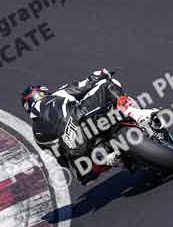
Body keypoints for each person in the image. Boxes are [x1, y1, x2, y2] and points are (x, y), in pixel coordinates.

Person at [21, 68, 156, 184]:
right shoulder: (58, 94)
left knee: (82, 174)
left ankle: (107, 161)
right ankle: (138, 115)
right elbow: (87, 83)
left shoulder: (37, 135)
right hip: (83, 118)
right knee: (107, 84)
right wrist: (102, 73)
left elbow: (62, 160)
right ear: (42, 93)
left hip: (80, 150)